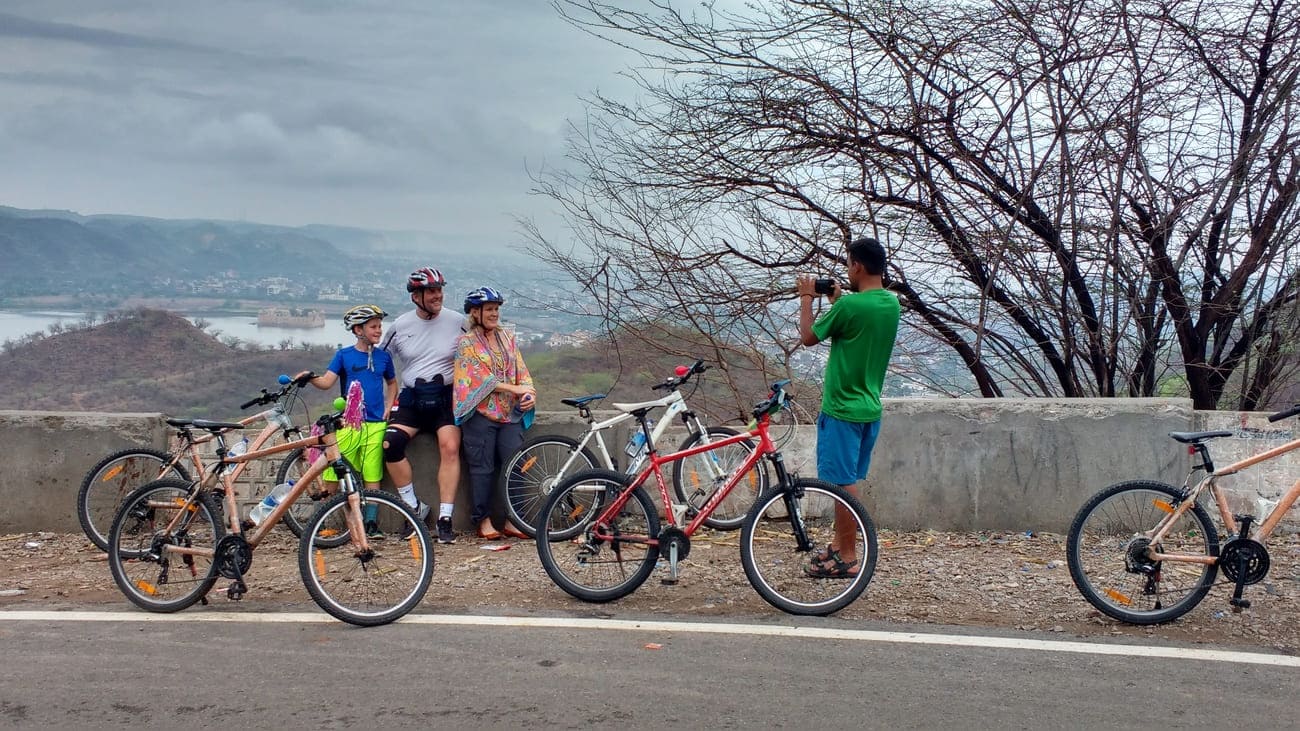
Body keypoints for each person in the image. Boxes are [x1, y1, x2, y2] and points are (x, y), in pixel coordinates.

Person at [796, 236, 900, 578]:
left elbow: (809, 337)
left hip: (841, 409)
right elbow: (860, 322)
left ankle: (850, 556)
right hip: (869, 408)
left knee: (842, 485)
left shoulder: (849, 307)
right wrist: (839, 299)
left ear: (857, 265)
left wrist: (807, 298)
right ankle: (841, 547)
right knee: (849, 479)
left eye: (848, 263)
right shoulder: (890, 303)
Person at [295, 304, 399, 539]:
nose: (378, 331)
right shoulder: (344, 355)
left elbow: (392, 383)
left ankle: (370, 524)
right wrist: (310, 377)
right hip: (350, 424)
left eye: (379, 326)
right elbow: (327, 382)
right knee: (334, 474)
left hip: (375, 424)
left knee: (373, 475)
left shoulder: (384, 356)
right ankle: (328, 521)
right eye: (373, 327)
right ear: (358, 330)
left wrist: (389, 406)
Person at [379, 267, 463, 545]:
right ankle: (413, 508)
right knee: (390, 445)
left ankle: (446, 518)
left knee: (450, 447)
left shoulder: (457, 321)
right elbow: (379, 361)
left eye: (440, 289)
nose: (437, 295)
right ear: (416, 296)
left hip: (445, 397)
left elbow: (482, 348)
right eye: (431, 291)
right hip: (412, 397)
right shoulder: (400, 326)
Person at [452, 286, 535, 540]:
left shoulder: (508, 338)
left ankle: (514, 519)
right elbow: (478, 379)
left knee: (517, 464)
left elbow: (521, 369)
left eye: (496, 309)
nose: (494, 314)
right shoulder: (466, 343)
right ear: (475, 313)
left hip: (509, 414)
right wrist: (515, 388)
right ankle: (483, 519)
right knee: (482, 468)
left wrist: (529, 392)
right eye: (489, 309)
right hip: (480, 415)